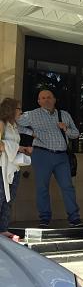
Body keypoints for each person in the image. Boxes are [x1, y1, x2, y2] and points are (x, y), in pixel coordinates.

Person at [17, 90, 83, 228]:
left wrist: (66, 129)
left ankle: (74, 218)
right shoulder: (32, 114)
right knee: (42, 187)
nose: (46, 100)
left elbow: (76, 134)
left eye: (49, 97)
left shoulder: (64, 115)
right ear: (39, 101)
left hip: (62, 156)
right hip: (42, 154)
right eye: (43, 98)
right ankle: (44, 219)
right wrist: (31, 133)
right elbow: (14, 123)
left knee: (68, 187)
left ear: (54, 99)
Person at [0, 98, 28, 242]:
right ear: (11, 109)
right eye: (18, 109)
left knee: (9, 198)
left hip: (13, 167)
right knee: (0, 196)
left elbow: (11, 145)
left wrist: (22, 149)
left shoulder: (14, 126)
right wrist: (17, 147)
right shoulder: (2, 124)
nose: (21, 112)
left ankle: (3, 229)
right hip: (2, 166)